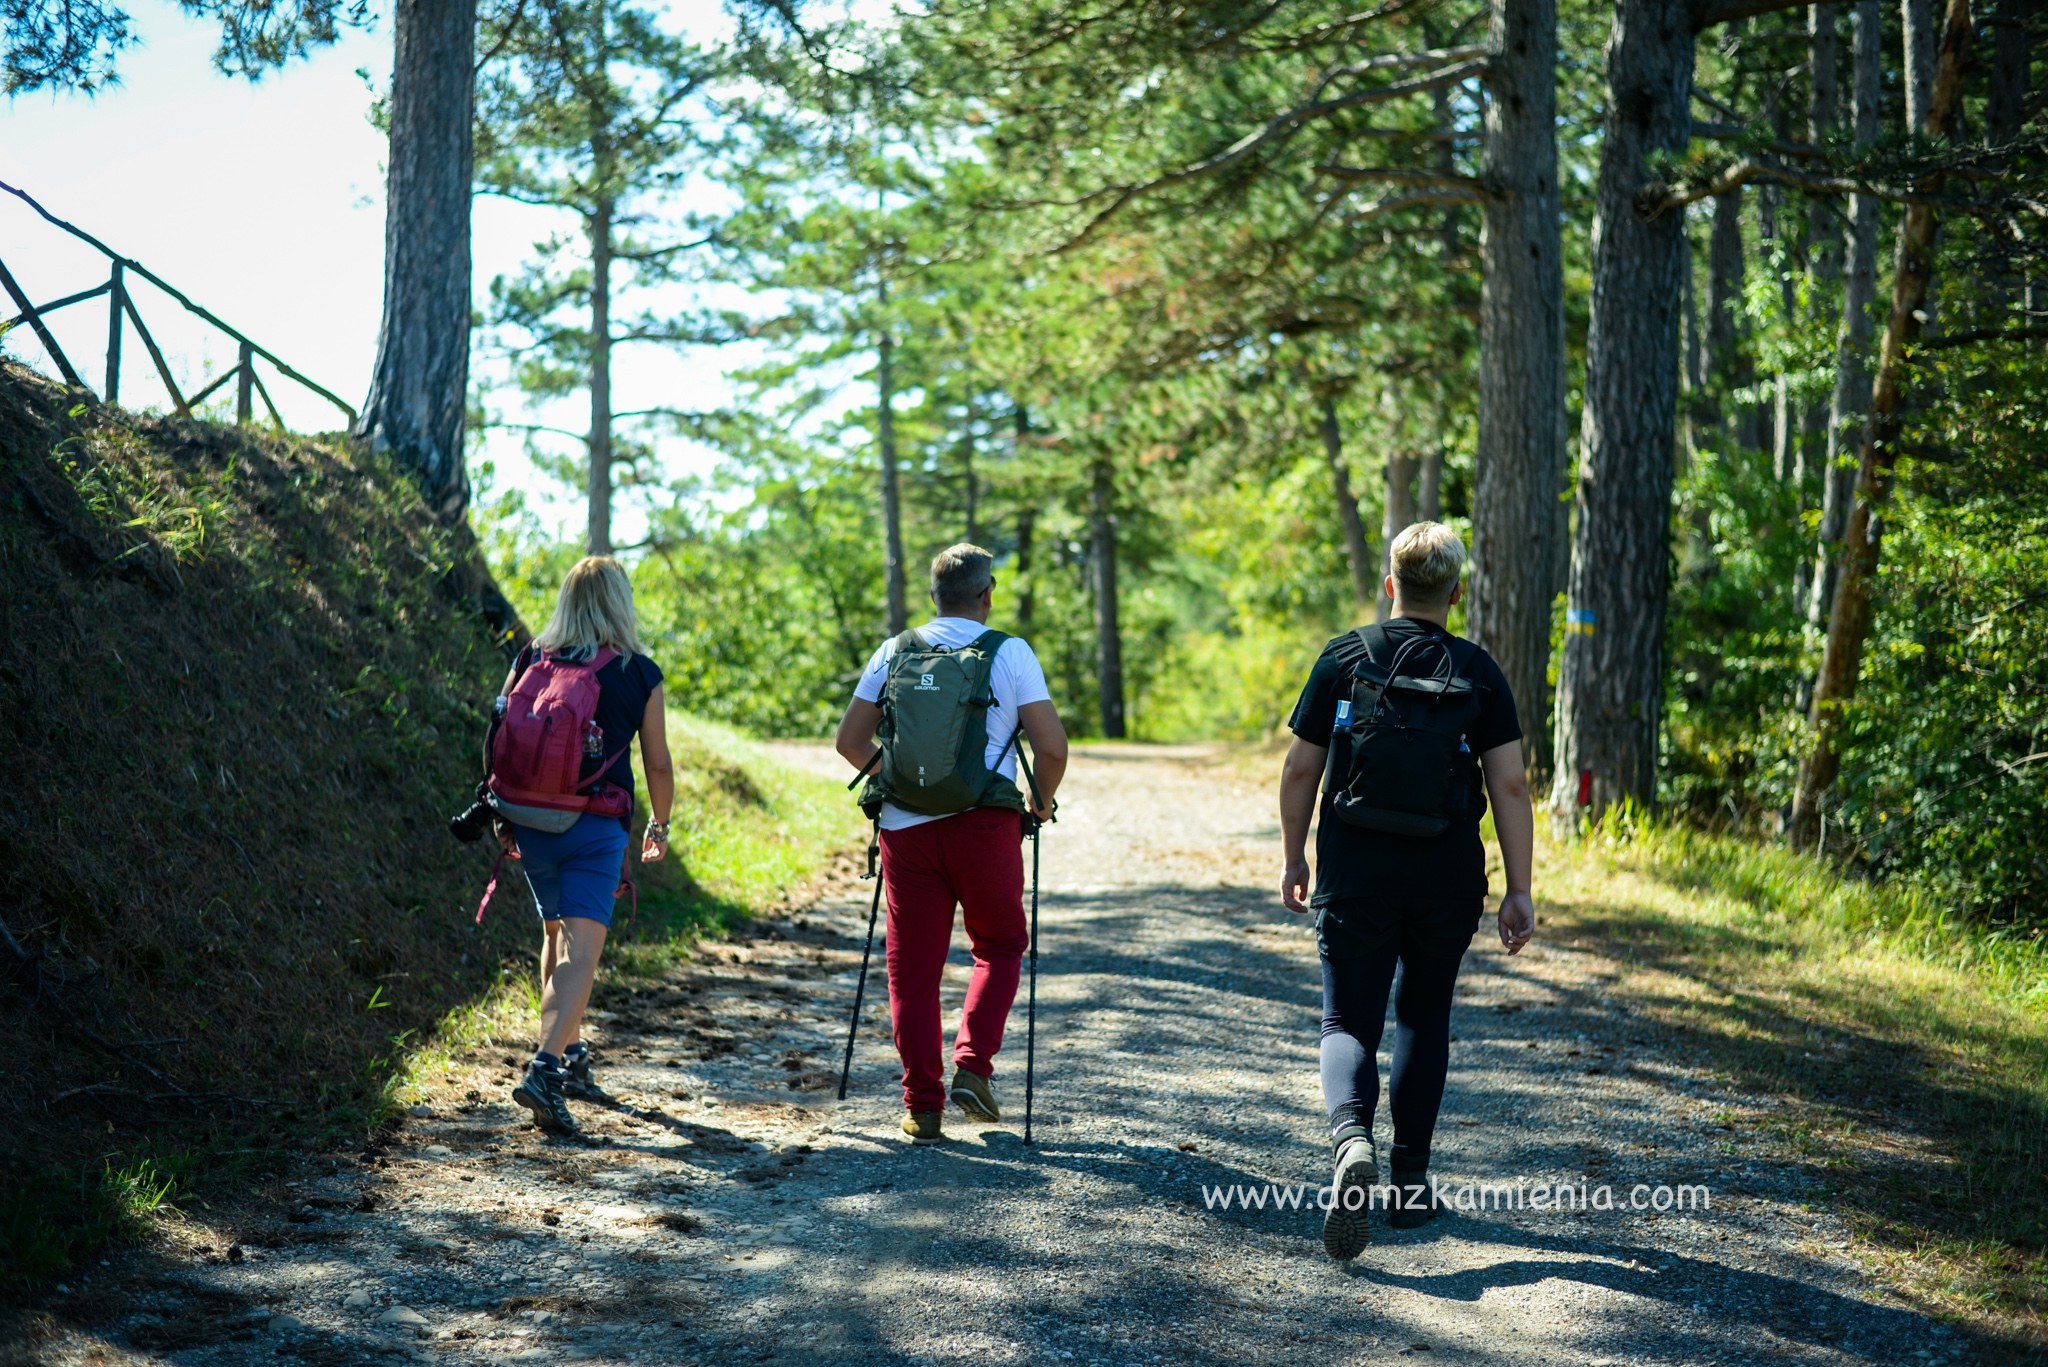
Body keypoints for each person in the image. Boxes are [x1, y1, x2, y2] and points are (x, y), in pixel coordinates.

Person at [1278, 521, 1535, 1259]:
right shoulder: (1479, 671)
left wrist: (1294, 856)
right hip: (1445, 873)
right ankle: (1412, 1185)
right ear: (1456, 591)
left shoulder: (1345, 656)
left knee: (1347, 1020)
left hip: (1355, 870)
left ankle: (1351, 1139)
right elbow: (1510, 783)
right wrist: (1519, 887)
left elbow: (1302, 769)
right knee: (1423, 1014)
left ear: (1391, 584)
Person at [834, 544, 1069, 1144]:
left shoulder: (894, 651)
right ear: (987, 593)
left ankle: (923, 1106)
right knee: (1000, 943)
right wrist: (1038, 802)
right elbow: (1053, 747)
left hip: (905, 833)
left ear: (933, 595)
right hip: (983, 827)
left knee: (912, 971)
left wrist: (898, 778)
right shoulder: (1010, 652)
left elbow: (849, 742)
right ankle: (973, 1066)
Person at [498, 556, 674, 1136]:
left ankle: (570, 1055)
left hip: (527, 816)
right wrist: (661, 823)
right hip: (593, 827)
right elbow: (658, 762)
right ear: (621, 603)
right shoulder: (638, 673)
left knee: (554, 933)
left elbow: (502, 733)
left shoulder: (530, 658)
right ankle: (545, 1068)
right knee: (583, 948)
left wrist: (503, 810)